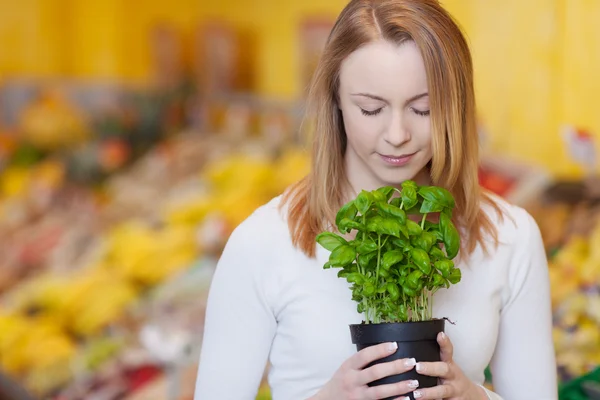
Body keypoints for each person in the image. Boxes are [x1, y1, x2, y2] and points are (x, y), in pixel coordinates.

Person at [194, 0, 558, 399]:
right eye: (371, 109)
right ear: (334, 99)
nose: (397, 134)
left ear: (457, 105)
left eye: (423, 109)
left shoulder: (510, 236)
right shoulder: (263, 241)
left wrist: (472, 395)